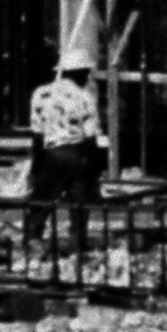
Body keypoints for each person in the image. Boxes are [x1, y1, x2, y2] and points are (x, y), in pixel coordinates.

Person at [26, 49, 108, 258]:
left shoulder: (40, 94)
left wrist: (36, 168)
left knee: (42, 200)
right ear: (80, 72)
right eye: (86, 73)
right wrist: (94, 170)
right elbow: (92, 138)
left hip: (53, 153)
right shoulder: (84, 97)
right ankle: (77, 246)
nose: (87, 78)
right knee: (79, 201)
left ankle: (34, 241)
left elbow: (37, 136)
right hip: (78, 154)